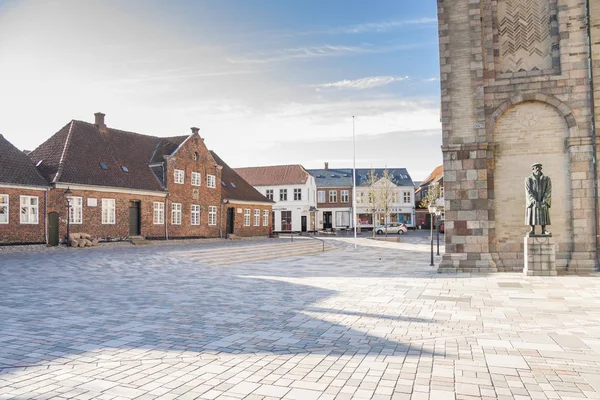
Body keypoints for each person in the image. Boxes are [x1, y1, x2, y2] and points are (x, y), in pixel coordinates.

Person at [525, 163, 551, 235]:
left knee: (543, 213)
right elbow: (528, 191)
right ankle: (532, 229)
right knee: (532, 213)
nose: (538, 169)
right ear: (532, 169)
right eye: (536, 167)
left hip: (542, 199)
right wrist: (533, 200)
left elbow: (548, 190)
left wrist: (545, 199)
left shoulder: (546, 179)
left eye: (539, 167)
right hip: (533, 201)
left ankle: (544, 230)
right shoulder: (528, 179)